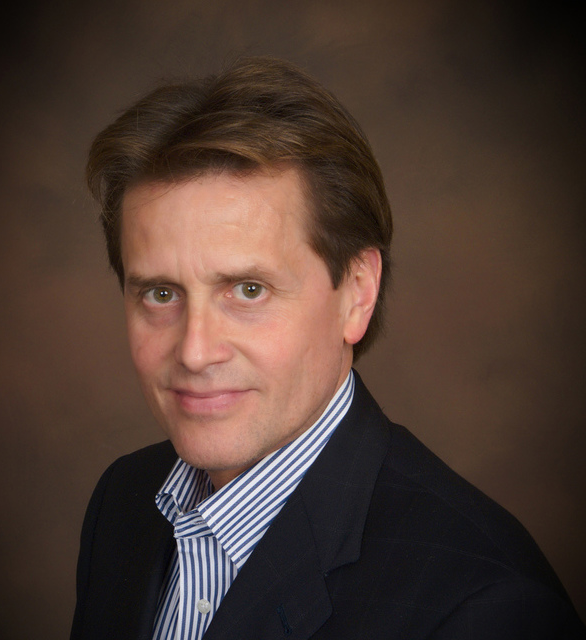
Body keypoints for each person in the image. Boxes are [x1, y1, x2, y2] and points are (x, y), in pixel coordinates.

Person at [71, 57, 585, 640]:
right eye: (161, 294)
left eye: (249, 290)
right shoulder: (124, 503)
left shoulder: (485, 605)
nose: (194, 351)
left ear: (357, 293)